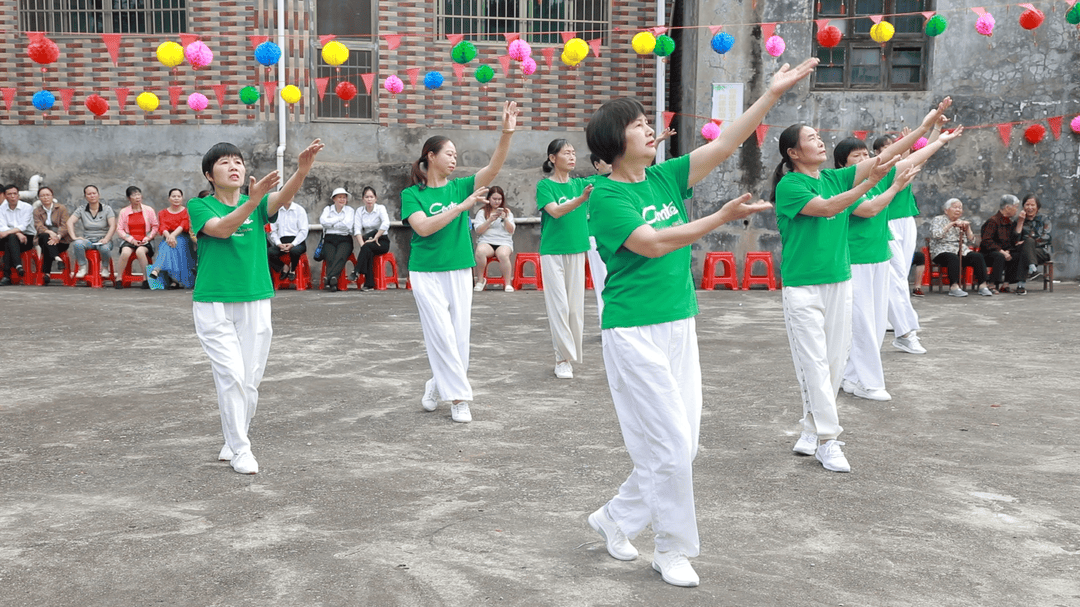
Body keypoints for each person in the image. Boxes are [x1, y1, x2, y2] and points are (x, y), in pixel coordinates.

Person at [583, 59, 817, 589]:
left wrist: (771, 94)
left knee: (682, 445)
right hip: (633, 331)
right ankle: (672, 548)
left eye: (648, 120)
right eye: (637, 123)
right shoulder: (608, 196)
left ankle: (616, 518)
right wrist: (718, 219)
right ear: (613, 143)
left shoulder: (665, 176)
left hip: (678, 325)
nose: (649, 127)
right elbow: (651, 243)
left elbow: (726, 143)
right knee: (667, 444)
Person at [773, 97, 952, 475]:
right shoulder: (790, 185)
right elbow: (827, 208)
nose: (820, 141)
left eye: (819, 136)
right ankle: (828, 439)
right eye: (811, 138)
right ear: (793, 152)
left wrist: (925, 131)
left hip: (840, 282)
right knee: (814, 364)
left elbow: (888, 160)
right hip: (803, 288)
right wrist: (867, 185)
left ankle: (811, 429)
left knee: (835, 364)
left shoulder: (833, 176)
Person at [189, 138, 324, 475]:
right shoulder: (200, 206)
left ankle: (234, 438)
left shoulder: (258, 204)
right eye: (224, 163)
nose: (234, 167)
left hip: (256, 299)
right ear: (209, 174)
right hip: (214, 302)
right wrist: (252, 202)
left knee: (249, 379)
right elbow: (222, 230)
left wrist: (302, 171)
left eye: (238, 161)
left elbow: (283, 197)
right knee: (231, 375)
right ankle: (241, 449)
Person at [403, 101, 518, 424]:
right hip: (425, 271)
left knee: (458, 334)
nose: (454, 159)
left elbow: (492, 169)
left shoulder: (462, 186)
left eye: (456, 155)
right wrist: (460, 208)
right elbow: (424, 227)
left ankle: (436, 384)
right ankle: (459, 397)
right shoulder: (413, 195)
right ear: (431, 156)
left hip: (458, 267)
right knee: (439, 332)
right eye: (449, 153)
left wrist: (506, 133)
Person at [833, 129, 961, 402]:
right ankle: (869, 382)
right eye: (857, 156)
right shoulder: (844, 184)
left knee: (878, 322)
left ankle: (852, 377)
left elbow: (913, 160)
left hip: (880, 256)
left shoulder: (880, 176)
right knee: (861, 322)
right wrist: (894, 187)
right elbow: (868, 210)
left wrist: (937, 139)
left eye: (866, 154)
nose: (865, 158)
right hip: (856, 260)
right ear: (843, 164)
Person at [536, 139, 592, 379]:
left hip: (577, 249)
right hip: (553, 251)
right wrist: (580, 200)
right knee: (558, 306)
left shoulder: (581, 183)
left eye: (573, 152)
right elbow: (555, 212)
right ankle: (562, 359)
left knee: (575, 309)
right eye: (566, 153)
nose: (572, 157)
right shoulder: (545, 186)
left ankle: (570, 354)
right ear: (552, 158)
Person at [929, 198, 992, 297]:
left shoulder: (961, 222)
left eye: (960, 208)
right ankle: (954, 287)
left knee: (977, 257)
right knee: (953, 258)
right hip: (941, 250)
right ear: (946, 210)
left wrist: (968, 228)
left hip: (961, 250)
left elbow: (972, 241)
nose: (958, 210)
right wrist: (951, 224)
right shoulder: (938, 220)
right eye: (955, 207)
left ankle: (983, 286)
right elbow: (936, 235)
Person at [67, 185, 116, 279]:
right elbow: (70, 222)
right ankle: (83, 267)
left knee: (105, 249)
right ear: (85, 196)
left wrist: (106, 238)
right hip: (88, 240)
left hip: (103, 239)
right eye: (89, 194)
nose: (92, 196)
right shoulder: (81, 209)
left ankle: (105, 268)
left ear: (98, 195)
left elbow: (113, 225)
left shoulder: (107, 209)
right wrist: (74, 237)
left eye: (94, 193)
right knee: (77, 244)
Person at [472, 185, 515, 292]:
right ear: (489, 199)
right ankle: (481, 280)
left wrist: (505, 219)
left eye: (499, 199)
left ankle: (508, 283)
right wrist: (489, 220)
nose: (497, 202)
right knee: (480, 251)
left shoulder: (507, 212)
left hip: (504, 242)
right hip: (486, 241)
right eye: (494, 199)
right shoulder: (482, 212)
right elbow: (478, 230)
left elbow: (511, 231)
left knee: (503, 255)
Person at [151, 188, 196, 289]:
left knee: (172, 245)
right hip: (168, 236)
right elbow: (162, 226)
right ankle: (173, 280)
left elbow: (183, 225)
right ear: (169, 198)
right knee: (167, 245)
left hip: (183, 236)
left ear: (182, 198)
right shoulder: (162, 213)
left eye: (178, 196)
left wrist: (172, 236)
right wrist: (169, 236)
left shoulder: (186, 212)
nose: (176, 198)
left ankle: (157, 269)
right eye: (173, 196)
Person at [115, 186, 159, 289]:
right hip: (130, 239)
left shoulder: (148, 210)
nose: (137, 197)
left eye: (138, 194)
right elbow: (120, 229)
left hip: (145, 239)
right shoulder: (124, 211)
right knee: (125, 252)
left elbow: (155, 227)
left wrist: (147, 238)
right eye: (134, 195)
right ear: (129, 198)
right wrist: (131, 240)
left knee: (140, 252)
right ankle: (119, 278)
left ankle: (146, 279)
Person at [587, 153, 612, 323]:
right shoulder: (589, 184)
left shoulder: (621, 180)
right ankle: (606, 321)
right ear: (597, 164)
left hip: (619, 235)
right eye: (607, 160)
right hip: (596, 237)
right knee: (603, 279)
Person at [351, 186, 391, 291]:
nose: (369, 199)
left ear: (375, 198)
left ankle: (357, 271)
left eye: (371, 197)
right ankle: (369, 284)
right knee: (368, 250)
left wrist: (376, 237)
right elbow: (357, 230)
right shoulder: (360, 211)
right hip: (368, 241)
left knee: (368, 248)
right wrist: (362, 245)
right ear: (363, 199)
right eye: (367, 197)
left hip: (382, 240)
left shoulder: (380, 208)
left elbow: (386, 223)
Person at [1011, 193, 1051, 295]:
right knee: (1025, 250)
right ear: (1023, 206)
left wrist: (1028, 242)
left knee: (1027, 246)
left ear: (1037, 207)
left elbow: (1046, 237)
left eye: (1032, 205)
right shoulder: (1018, 219)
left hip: (1041, 251)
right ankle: (1033, 269)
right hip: (1024, 251)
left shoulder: (1044, 219)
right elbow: (1015, 240)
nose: (1030, 207)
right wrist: (1020, 221)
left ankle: (1021, 285)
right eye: (1027, 205)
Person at [979, 195, 1019, 293]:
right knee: (999, 256)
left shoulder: (1010, 222)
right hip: (989, 253)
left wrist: (1008, 250)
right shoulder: (993, 221)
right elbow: (987, 241)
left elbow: (1011, 241)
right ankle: (992, 284)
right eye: (1016, 207)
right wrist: (1002, 252)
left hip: (1004, 251)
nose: (1017, 210)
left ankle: (1006, 284)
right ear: (1007, 207)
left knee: (1016, 255)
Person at [32, 186, 71, 284]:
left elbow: (65, 225)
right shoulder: (37, 211)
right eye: (42, 196)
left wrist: (58, 236)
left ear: (52, 196)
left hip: (61, 241)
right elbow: (39, 226)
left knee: (47, 246)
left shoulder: (61, 208)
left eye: (47, 195)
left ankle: (47, 273)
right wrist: (50, 232)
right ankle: (57, 258)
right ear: (39, 198)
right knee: (44, 236)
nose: (45, 197)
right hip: (45, 238)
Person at [319, 187, 354, 292]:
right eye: (339, 197)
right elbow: (323, 222)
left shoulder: (350, 210)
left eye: (344, 197)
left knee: (340, 256)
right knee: (330, 257)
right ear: (334, 199)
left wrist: (331, 223)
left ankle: (329, 278)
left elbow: (347, 225)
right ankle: (333, 282)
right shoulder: (327, 209)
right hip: (329, 238)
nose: (342, 199)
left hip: (345, 238)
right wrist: (339, 219)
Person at [267, 190, 308, 280]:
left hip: (297, 242)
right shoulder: (276, 211)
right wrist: (278, 243)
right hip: (281, 242)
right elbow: (273, 231)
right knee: (268, 252)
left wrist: (292, 244)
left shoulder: (299, 210)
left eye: (291, 194)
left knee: (294, 251)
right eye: (286, 194)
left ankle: (292, 270)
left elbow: (303, 231)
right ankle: (283, 267)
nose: (289, 197)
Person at [0, 184, 36, 285]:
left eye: (15, 194)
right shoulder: (1, 209)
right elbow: (2, 226)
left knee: (10, 239)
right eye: (9, 194)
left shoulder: (27, 207)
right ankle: (18, 266)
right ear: (5, 196)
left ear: (18, 195)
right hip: (10, 238)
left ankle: (7, 275)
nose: (12, 196)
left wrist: (17, 233)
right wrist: (17, 233)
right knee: (11, 239)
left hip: (26, 239)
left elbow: (23, 226)